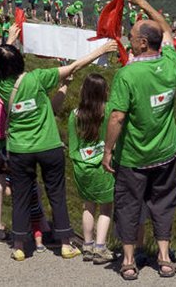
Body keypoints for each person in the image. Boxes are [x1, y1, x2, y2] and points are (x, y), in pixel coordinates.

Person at [0, 27, 116, 261]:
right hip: (49, 146)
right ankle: (66, 244)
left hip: (19, 150)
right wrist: (101, 50)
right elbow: (75, 66)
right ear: (20, 61)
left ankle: (18, 246)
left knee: (21, 197)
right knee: (56, 193)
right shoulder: (37, 78)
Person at [102, 0, 176, 280]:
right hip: (166, 153)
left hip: (134, 157)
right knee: (163, 204)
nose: (128, 39)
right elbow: (167, 30)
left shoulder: (128, 75)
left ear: (143, 43)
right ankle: (163, 258)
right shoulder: (171, 64)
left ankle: (129, 261)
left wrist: (108, 151)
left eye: (132, 36)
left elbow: (117, 117)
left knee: (128, 206)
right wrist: (143, 2)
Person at [67, 74, 115, 264]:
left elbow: (72, 142)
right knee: (105, 207)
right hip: (102, 164)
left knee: (88, 205)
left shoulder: (75, 114)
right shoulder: (109, 110)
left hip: (81, 165)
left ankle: (87, 245)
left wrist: (77, 159)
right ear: (104, 91)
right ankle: (100, 248)